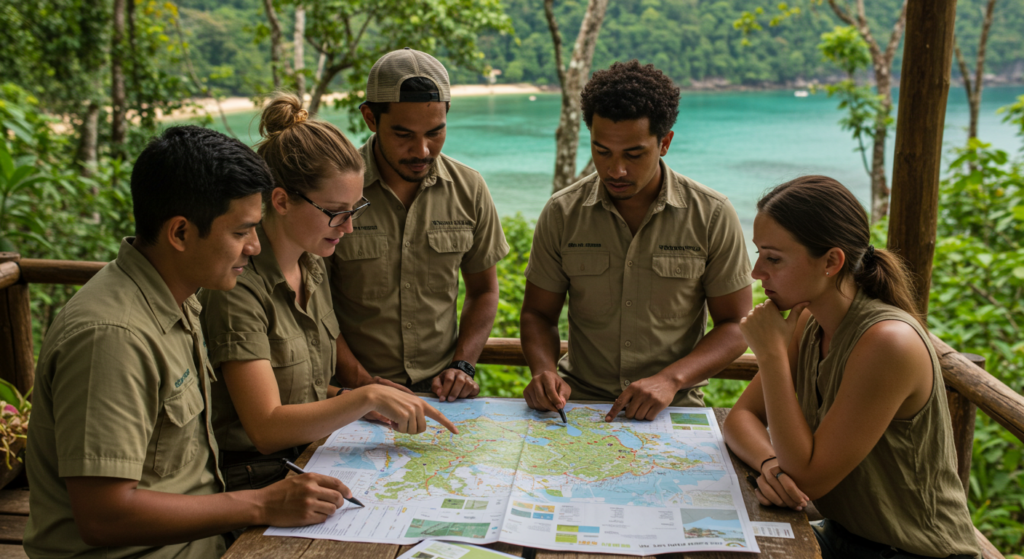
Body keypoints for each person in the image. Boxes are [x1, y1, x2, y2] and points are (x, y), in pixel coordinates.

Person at [25, 126, 353, 558]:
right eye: (241, 232)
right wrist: (262, 503)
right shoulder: (112, 337)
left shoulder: (178, 300)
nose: (255, 247)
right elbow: (103, 516)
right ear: (180, 233)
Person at [199, 93, 458, 493]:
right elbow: (265, 427)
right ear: (281, 200)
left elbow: (301, 388)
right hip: (256, 478)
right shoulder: (239, 286)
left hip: (309, 456)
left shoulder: (311, 264)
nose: (348, 228)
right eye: (336, 212)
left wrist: (364, 402)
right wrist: (363, 397)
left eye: (354, 211)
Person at [722, 175, 979, 558]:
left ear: (831, 261)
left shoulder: (888, 342)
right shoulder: (809, 322)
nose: (758, 272)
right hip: (844, 535)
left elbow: (810, 477)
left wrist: (772, 355)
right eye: (759, 253)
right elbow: (739, 418)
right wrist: (772, 463)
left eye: (773, 258)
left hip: (914, 551)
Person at [520, 60, 753, 421]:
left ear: (665, 143)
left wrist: (670, 380)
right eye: (602, 152)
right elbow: (538, 313)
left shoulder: (712, 215)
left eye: (634, 154)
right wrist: (543, 371)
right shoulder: (562, 213)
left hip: (673, 408)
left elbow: (738, 324)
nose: (616, 170)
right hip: (578, 405)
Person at [329, 48, 509, 401]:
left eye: (435, 132)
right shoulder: (334, 192)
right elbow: (311, 306)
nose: (423, 150)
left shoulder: (469, 188)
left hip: (441, 392)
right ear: (369, 117)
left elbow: (484, 291)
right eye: (403, 134)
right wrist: (363, 385)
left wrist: (463, 366)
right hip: (347, 392)